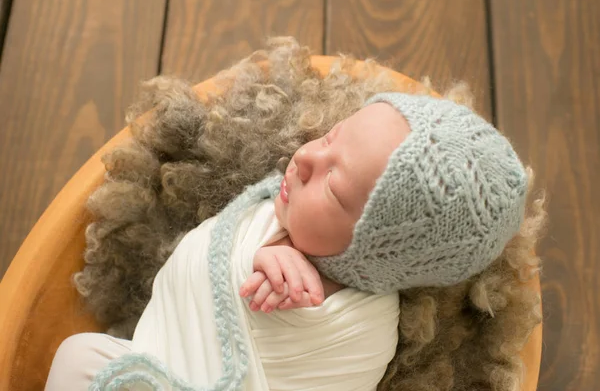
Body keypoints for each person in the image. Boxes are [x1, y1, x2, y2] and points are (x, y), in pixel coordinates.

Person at [45, 92, 527, 391]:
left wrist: (298, 308)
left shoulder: (363, 329)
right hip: (151, 367)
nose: (306, 161)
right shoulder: (268, 210)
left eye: (334, 190)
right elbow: (199, 264)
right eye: (329, 138)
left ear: (374, 255)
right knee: (79, 358)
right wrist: (265, 252)